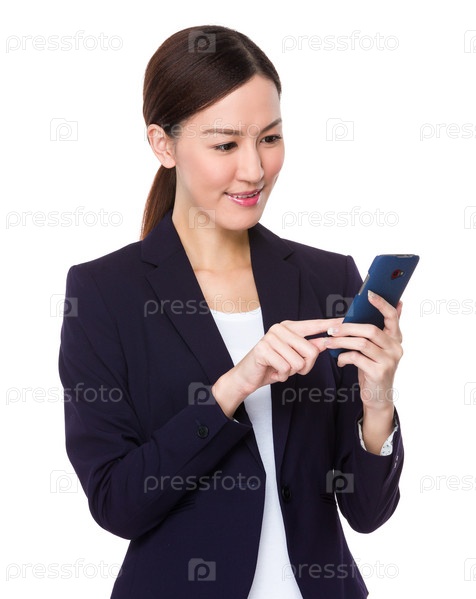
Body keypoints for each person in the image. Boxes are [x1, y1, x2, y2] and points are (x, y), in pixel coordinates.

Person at [59, 25, 404, 599]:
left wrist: (378, 400)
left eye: (270, 138)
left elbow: (368, 512)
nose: (254, 169)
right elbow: (117, 503)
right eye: (225, 145)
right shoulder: (104, 293)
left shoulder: (328, 278)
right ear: (163, 145)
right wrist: (233, 387)